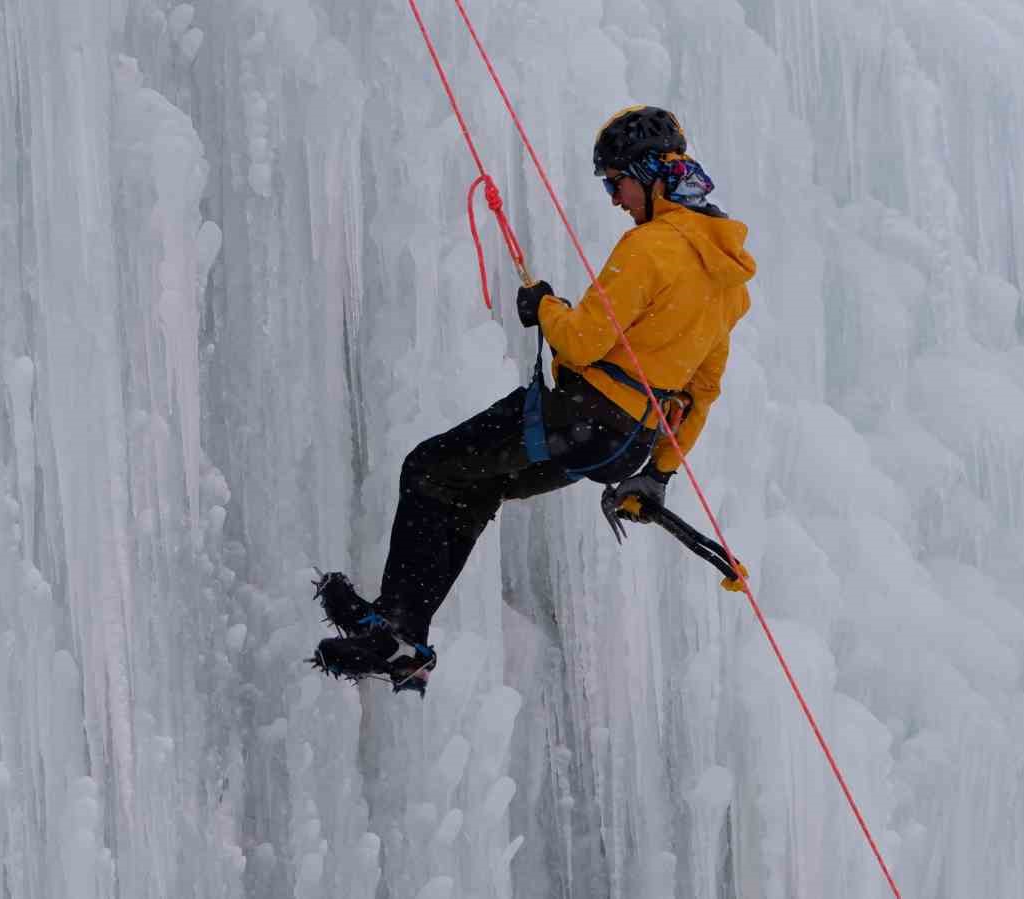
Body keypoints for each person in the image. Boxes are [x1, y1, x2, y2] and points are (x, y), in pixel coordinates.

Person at [312, 106, 756, 693]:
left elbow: (577, 344)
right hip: (622, 448)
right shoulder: (726, 282)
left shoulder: (651, 247)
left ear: (649, 174)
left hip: (578, 417)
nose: (614, 199)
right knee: (472, 483)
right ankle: (402, 638)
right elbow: (702, 392)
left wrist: (542, 305)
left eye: (615, 182)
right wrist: (661, 475)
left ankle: (398, 628)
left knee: (426, 468)